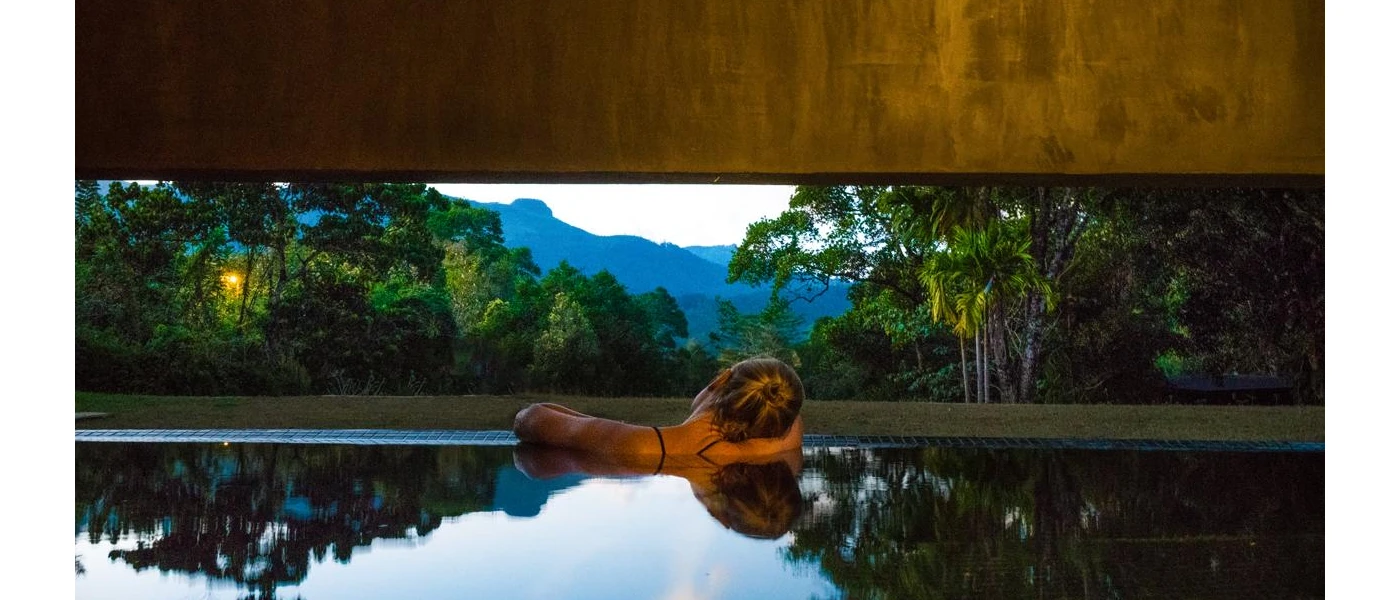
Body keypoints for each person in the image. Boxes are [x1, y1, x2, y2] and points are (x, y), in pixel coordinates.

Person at [512, 357, 805, 468]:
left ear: (719, 381)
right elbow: (790, 416)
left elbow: (530, 419)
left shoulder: (642, 444)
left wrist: (603, 428)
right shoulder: (780, 446)